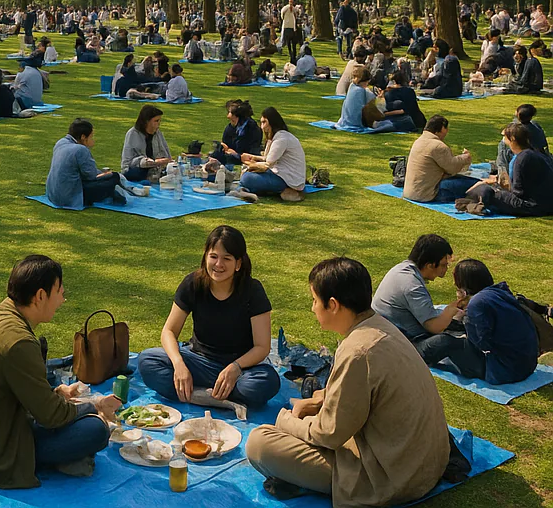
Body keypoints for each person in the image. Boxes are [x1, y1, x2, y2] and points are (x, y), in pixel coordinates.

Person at [246, 257, 449, 507]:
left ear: (332, 305)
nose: (312, 308)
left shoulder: (357, 351)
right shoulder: (380, 327)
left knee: (259, 442)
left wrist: (289, 419)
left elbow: (328, 434)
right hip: (426, 465)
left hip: (391, 479)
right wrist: (318, 402)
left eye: (314, 300)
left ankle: (308, 482)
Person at [0, 255, 119, 487]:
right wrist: (95, 406)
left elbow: (15, 386)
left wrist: (55, 393)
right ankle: (53, 459)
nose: (63, 298)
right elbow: (51, 416)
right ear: (41, 296)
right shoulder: (19, 341)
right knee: (95, 430)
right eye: (60, 291)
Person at [138, 225, 281, 409]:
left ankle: (196, 394)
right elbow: (169, 331)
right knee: (147, 360)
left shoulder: (252, 291)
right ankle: (216, 397)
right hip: (198, 361)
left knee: (266, 382)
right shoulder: (193, 283)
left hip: (240, 368)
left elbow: (262, 347)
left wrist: (235, 368)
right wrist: (179, 364)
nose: (218, 265)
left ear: (238, 263)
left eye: (226, 259)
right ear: (206, 256)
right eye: (213, 256)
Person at [372, 234, 485, 378]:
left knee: (449, 320)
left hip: (393, 333)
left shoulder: (402, 269)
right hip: (402, 346)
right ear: (430, 265)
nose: (445, 271)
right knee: (446, 341)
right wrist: (451, 310)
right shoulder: (411, 285)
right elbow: (434, 327)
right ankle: (481, 368)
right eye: (443, 265)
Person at [454, 258, 539, 386]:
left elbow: (480, 344)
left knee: (446, 343)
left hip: (505, 371)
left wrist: (466, 316)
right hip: (527, 365)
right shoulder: (501, 292)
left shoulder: (477, 303)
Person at [461, 122, 553, 217]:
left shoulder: (522, 159)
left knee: (485, 191)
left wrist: (498, 188)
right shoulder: (534, 153)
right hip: (546, 202)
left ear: (512, 139)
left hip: (533, 205)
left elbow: (518, 193)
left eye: (505, 136)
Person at [46, 118, 132, 208]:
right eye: (91, 136)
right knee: (114, 177)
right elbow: (91, 176)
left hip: (53, 194)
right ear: (83, 137)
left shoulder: (60, 142)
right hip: (70, 197)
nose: (92, 139)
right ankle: (118, 192)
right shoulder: (81, 150)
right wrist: (107, 174)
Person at [237, 107, 307, 201]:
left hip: (288, 179)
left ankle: (281, 190)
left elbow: (267, 164)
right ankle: (260, 189)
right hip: (282, 173)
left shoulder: (281, 139)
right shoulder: (276, 137)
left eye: (264, 122)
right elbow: (267, 158)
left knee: (246, 178)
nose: (262, 127)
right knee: (247, 174)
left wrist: (250, 166)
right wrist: (252, 157)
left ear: (272, 122)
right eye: (261, 122)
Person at [401, 115, 476, 203]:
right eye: (446, 128)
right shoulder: (438, 146)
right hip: (427, 194)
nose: (447, 131)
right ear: (439, 129)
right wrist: (465, 158)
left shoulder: (419, 141)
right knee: (476, 183)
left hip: (411, 192)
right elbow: (452, 168)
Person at [120, 104, 172, 182]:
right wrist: (146, 162)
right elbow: (127, 162)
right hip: (137, 170)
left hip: (156, 170)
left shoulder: (158, 134)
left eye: (159, 121)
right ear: (147, 121)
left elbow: (166, 154)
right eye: (156, 121)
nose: (159, 124)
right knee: (140, 173)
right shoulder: (133, 134)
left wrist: (166, 162)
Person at [494, 103, 548, 175]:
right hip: (542, 159)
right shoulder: (535, 126)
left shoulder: (518, 131)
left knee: (503, 145)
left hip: (526, 160)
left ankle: (502, 175)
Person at [337, 66, 395, 131]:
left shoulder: (352, 87)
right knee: (388, 124)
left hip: (346, 119)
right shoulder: (361, 91)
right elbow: (375, 101)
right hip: (356, 122)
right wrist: (381, 95)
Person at [280, 0, 298, 64]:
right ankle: (292, 55)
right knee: (290, 43)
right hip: (290, 27)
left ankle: (293, 55)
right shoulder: (290, 8)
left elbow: (282, 16)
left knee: (291, 43)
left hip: (289, 27)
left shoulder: (289, 8)